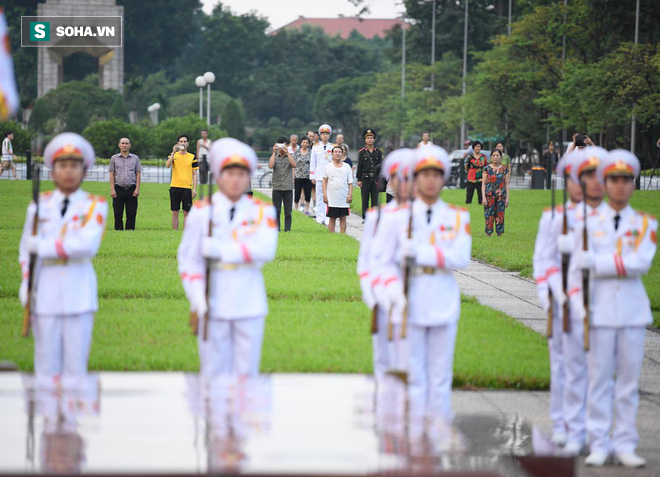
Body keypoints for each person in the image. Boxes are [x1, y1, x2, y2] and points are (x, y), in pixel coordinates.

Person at [568, 150, 656, 468]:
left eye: (625, 180)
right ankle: (599, 442)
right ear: (604, 184)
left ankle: (625, 443)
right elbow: (576, 272)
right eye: (613, 180)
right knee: (598, 379)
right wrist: (579, 306)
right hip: (599, 310)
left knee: (628, 384)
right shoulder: (586, 222)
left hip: (632, 312)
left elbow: (640, 264)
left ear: (633, 185)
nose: (619, 186)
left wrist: (601, 263)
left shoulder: (646, 223)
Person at [373, 145, 471, 422]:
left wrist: (420, 252)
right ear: (415, 179)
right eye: (424, 174)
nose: (430, 180)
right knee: (413, 372)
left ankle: (438, 428)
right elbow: (382, 260)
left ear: (443, 179)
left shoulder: (456, 216)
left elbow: (461, 257)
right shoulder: (398, 217)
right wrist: (392, 288)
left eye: (436, 174)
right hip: (409, 297)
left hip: (442, 297)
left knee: (440, 374)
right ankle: (414, 432)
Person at [177, 138, 278, 377]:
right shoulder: (201, 211)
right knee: (213, 372)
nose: (235, 180)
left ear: (248, 177)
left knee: (246, 372)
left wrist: (221, 250)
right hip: (213, 300)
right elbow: (188, 260)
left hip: (249, 302)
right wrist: (196, 297)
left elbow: (265, 251)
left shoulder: (263, 211)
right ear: (218, 176)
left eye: (241, 174)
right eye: (229, 173)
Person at [18, 133, 108, 390]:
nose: (68, 172)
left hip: (78, 294)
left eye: (74, 166)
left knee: (75, 368)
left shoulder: (95, 205)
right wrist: (26, 283)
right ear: (52, 170)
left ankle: (70, 426)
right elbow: (26, 250)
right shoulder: (39, 205)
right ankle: (49, 425)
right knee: (45, 367)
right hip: (43, 292)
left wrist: (45, 247)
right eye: (62, 166)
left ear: (84, 171)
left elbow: (86, 246)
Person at [532, 151, 586, 454]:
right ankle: (561, 423)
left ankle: (590, 428)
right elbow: (542, 260)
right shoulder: (554, 217)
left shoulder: (604, 216)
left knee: (594, 369)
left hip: (597, 302)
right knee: (562, 365)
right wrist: (550, 296)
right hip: (561, 300)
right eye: (572, 180)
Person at [359, 149, 413, 382]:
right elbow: (367, 262)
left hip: (417, 300)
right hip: (383, 295)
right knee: (384, 364)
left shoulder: (424, 215)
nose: (402, 184)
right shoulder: (377, 216)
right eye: (397, 178)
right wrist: (373, 295)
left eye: (409, 178)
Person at [109, 137, 142, 231]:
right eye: (122, 143)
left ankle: (130, 231)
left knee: (131, 213)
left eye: (126, 143)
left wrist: (137, 189)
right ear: (119, 145)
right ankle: (118, 230)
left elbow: (138, 173)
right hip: (118, 188)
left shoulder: (135, 158)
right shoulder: (114, 158)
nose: (124, 145)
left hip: (131, 188)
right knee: (117, 213)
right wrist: (112, 189)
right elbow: (112, 174)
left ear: (129, 146)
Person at [166, 134, 198, 230]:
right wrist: (173, 152)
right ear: (177, 143)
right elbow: (167, 165)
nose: (183, 143)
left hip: (187, 187)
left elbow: (195, 174)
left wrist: (194, 189)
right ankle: (175, 232)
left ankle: (185, 232)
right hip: (175, 186)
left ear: (188, 143)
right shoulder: (174, 155)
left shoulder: (192, 157)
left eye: (184, 141)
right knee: (175, 211)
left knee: (186, 212)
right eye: (181, 141)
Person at [322, 145, 353, 234]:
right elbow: (324, 181)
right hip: (332, 197)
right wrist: (325, 194)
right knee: (332, 217)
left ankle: (342, 235)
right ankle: (332, 236)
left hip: (343, 196)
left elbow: (350, 183)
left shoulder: (347, 167)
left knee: (343, 217)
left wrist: (350, 194)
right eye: (335, 152)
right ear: (332, 154)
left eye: (339, 152)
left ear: (342, 153)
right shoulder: (327, 166)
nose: (337, 154)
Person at [269, 136, 296, 232]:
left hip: (288, 187)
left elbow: (294, 165)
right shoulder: (274, 157)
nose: (281, 148)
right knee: (276, 211)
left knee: (288, 212)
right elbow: (271, 166)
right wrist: (273, 152)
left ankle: (287, 229)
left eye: (283, 146)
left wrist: (287, 152)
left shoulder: (290, 156)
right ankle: (277, 229)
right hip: (277, 187)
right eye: (279, 146)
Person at [356, 128, 383, 220]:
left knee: (375, 199)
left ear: (374, 139)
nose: (370, 140)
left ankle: (374, 218)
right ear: (365, 140)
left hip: (375, 179)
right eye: (368, 138)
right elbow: (359, 166)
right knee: (365, 199)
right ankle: (365, 217)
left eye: (371, 138)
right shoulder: (362, 152)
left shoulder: (378, 152)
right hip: (365, 178)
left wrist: (380, 179)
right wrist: (359, 179)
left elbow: (381, 166)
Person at [310, 124, 334, 225]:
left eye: (327, 134)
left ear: (329, 135)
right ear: (320, 135)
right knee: (319, 197)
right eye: (323, 134)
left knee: (329, 197)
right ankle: (319, 217)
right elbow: (313, 163)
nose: (325, 136)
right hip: (319, 176)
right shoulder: (316, 147)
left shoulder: (332, 147)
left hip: (330, 176)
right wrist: (312, 176)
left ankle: (327, 217)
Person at [481, 149, 508, 237]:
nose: (495, 157)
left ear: (501, 157)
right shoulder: (486, 169)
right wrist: (483, 198)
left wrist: (507, 198)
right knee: (489, 216)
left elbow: (506, 184)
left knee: (500, 215)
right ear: (491, 157)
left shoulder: (504, 169)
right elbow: (483, 184)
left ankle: (499, 235)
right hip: (489, 196)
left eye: (497, 155)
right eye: (494, 155)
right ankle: (488, 234)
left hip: (501, 196)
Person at [293, 136, 313, 216]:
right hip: (298, 175)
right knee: (297, 193)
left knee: (308, 193)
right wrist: (293, 175)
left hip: (308, 176)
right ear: (301, 143)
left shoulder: (311, 152)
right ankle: (296, 209)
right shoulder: (297, 152)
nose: (305, 144)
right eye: (303, 142)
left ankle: (307, 209)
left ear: (309, 144)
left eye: (307, 142)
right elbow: (293, 164)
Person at [464, 140, 487, 205]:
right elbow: (466, 166)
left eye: (479, 146)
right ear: (473, 148)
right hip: (471, 177)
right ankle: (468, 204)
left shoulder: (483, 157)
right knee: (469, 193)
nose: (478, 148)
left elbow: (485, 166)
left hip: (481, 178)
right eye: (476, 146)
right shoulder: (470, 157)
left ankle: (481, 203)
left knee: (481, 193)